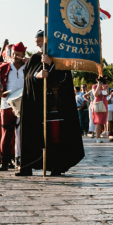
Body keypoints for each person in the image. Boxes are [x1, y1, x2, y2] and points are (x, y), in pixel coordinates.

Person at [17, 31, 84, 176]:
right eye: (37, 43)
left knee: (55, 137)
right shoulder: (34, 58)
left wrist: (51, 64)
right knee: (36, 136)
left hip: (56, 104)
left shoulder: (60, 58)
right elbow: (28, 78)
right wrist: (37, 75)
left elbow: (64, 78)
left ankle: (56, 166)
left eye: (41, 42)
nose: (39, 45)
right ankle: (29, 165)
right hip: (37, 106)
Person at [0, 42, 28, 171]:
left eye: (18, 55)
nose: (15, 57)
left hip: (24, 104)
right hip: (7, 104)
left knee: (22, 134)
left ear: (23, 55)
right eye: (13, 54)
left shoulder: (28, 67)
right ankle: (4, 162)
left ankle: (21, 161)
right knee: (6, 133)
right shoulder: (2, 68)